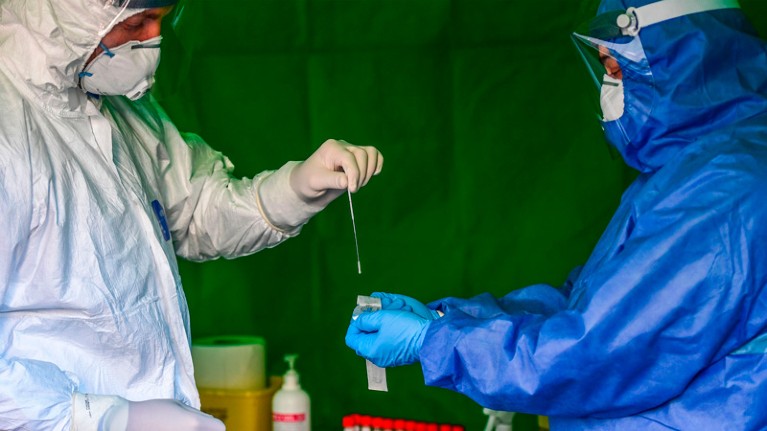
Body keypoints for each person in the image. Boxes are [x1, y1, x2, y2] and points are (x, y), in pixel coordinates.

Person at [346, 0, 767, 429]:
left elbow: (596, 352)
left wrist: (435, 342)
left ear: (689, 58)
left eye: (617, 69)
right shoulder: (690, 171)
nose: (610, 86)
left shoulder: (725, 191)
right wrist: (446, 319)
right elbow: (587, 302)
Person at [0, 0, 383, 430]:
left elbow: (190, 210)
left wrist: (291, 192)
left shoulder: (113, 106)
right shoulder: (10, 127)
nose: (153, 42)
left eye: (163, 20)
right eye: (137, 22)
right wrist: (96, 418)